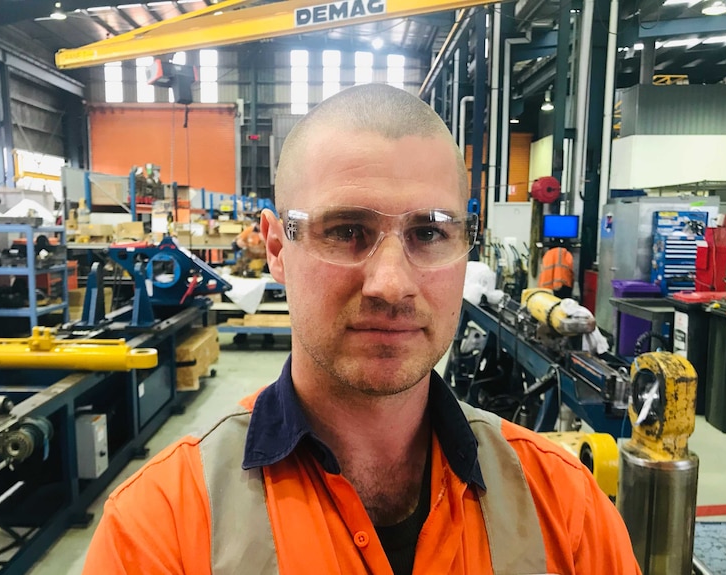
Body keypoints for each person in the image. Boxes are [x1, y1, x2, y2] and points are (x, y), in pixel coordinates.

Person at [82, 84, 640, 574]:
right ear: (277, 248)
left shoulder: (567, 511)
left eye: (429, 233)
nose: (391, 283)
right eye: (346, 230)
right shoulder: (162, 530)